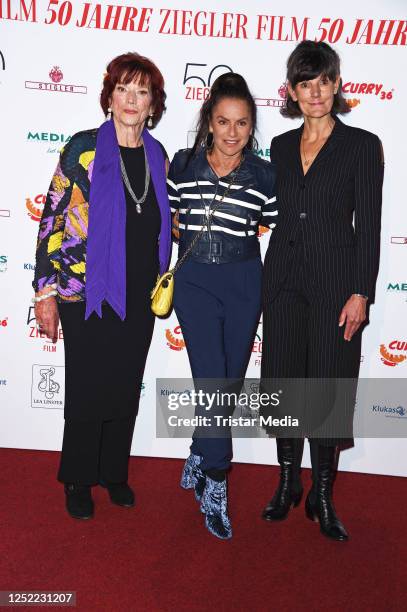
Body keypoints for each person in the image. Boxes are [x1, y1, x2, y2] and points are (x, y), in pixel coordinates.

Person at [32, 52, 171, 520]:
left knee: (125, 385)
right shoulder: (82, 148)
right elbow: (51, 219)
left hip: (139, 291)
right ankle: (77, 477)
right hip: (84, 289)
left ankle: (114, 472)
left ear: (153, 104)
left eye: (142, 91)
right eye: (123, 89)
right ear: (109, 97)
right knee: (89, 384)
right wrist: (44, 291)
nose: (132, 100)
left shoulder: (158, 156)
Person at [261, 40, 384, 541]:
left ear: (337, 83)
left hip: (337, 285)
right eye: (305, 84)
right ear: (293, 90)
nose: (315, 93)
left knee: (329, 389)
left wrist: (362, 291)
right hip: (283, 280)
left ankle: (323, 494)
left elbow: (370, 226)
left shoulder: (362, 145)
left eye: (324, 81)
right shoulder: (280, 147)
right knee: (286, 379)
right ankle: (289, 481)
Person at [167, 73, 277, 539]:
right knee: (212, 381)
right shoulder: (183, 165)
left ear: (252, 127)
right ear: (208, 122)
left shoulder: (266, 176)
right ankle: (216, 481)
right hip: (195, 284)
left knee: (228, 384)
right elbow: (173, 220)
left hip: (244, 283)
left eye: (243, 124)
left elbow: (268, 223)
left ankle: (198, 447)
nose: (233, 133)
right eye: (223, 122)